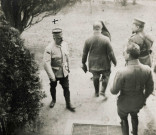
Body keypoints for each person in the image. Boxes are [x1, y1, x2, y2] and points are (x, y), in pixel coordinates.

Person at [110, 42, 154, 135]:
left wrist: (111, 83)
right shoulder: (147, 69)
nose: (123, 54)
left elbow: (114, 91)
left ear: (129, 54)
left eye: (124, 52)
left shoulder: (122, 72)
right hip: (138, 102)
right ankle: (135, 133)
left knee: (123, 118)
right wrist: (143, 97)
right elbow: (150, 88)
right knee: (134, 116)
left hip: (124, 103)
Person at [82, 21, 117, 98]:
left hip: (93, 63)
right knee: (106, 76)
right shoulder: (106, 39)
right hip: (104, 63)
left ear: (93, 29)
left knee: (95, 76)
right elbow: (111, 53)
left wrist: (83, 63)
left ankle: (96, 92)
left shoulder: (88, 40)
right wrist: (115, 61)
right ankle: (103, 91)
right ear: (101, 29)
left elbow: (84, 53)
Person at [43, 28, 75, 112]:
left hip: (64, 72)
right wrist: (52, 76)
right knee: (53, 86)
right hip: (54, 73)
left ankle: (68, 103)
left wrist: (68, 67)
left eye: (61, 37)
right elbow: (46, 64)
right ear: (54, 38)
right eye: (59, 38)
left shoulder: (65, 44)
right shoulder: (49, 48)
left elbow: (67, 57)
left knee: (66, 87)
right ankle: (53, 100)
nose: (61, 39)